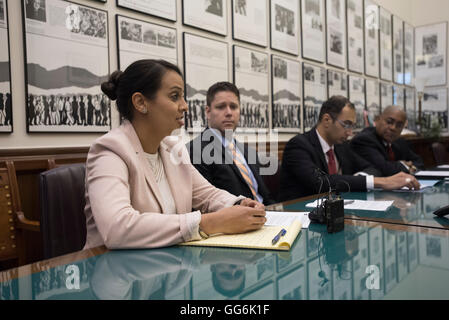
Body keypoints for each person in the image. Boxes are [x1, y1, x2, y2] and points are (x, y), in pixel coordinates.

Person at [84, 59, 266, 250]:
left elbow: (207, 195)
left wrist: (239, 203)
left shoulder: (174, 149)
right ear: (140, 102)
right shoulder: (110, 150)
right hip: (114, 271)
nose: (185, 106)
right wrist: (209, 223)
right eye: (174, 96)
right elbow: (117, 228)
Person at [279, 96, 420, 201]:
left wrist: (352, 180)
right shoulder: (299, 145)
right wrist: (382, 182)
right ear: (327, 120)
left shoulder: (341, 146)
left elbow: (372, 169)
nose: (350, 132)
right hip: (300, 217)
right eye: (346, 125)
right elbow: (321, 182)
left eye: (352, 126)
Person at [186, 81, 275, 205]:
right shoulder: (195, 151)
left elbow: (265, 196)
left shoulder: (248, 152)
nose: (229, 112)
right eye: (221, 107)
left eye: (233, 107)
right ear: (208, 112)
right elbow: (207, 204)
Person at [350, 105, 425, 176]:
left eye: (399, 125)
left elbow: (418, 161)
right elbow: (384, 169)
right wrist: (406, 166)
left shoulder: (398, 141)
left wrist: (413, 168)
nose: (393, 128)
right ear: (377, 120)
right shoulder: (364, 140)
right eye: (389, 122)